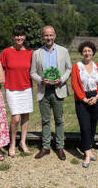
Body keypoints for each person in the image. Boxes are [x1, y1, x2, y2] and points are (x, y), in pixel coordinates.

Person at [30, 26, 72, 160]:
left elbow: (69, 69)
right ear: (42, 37)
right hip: (44, 90)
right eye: (46, 35)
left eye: (51, 35)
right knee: (45, 120)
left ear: (55, 36)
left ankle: (60, 147)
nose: (48, 38)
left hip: (58, 89)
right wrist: (41, 80)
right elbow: (32, 72)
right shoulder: (37, 53)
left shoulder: (63, 51)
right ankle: (46, 147)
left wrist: (62, 80)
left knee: (59, 120)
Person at [0, 25, 34, 157]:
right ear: (13, 37)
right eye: (16, 35)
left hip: (26, 88)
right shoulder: (6, 52)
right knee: (15, 118)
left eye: (21, 35)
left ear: (24, 37)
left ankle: (23, 142)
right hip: (12, 88)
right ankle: (12, 143)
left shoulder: (30, 52)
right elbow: (1, 69)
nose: (19, 38)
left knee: (25, 116)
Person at [71, 41, 98, 168]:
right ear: (81, 52)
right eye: (84, 51)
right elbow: (74, 84)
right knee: (84, 127)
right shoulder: (77, 66)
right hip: (82, 100)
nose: (87, 53)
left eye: (89, 51)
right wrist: (84, 99)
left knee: (92, 126)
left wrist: (96, 97)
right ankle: (87, 154)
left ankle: (88, 148)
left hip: (96, 98)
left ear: (93, 52)